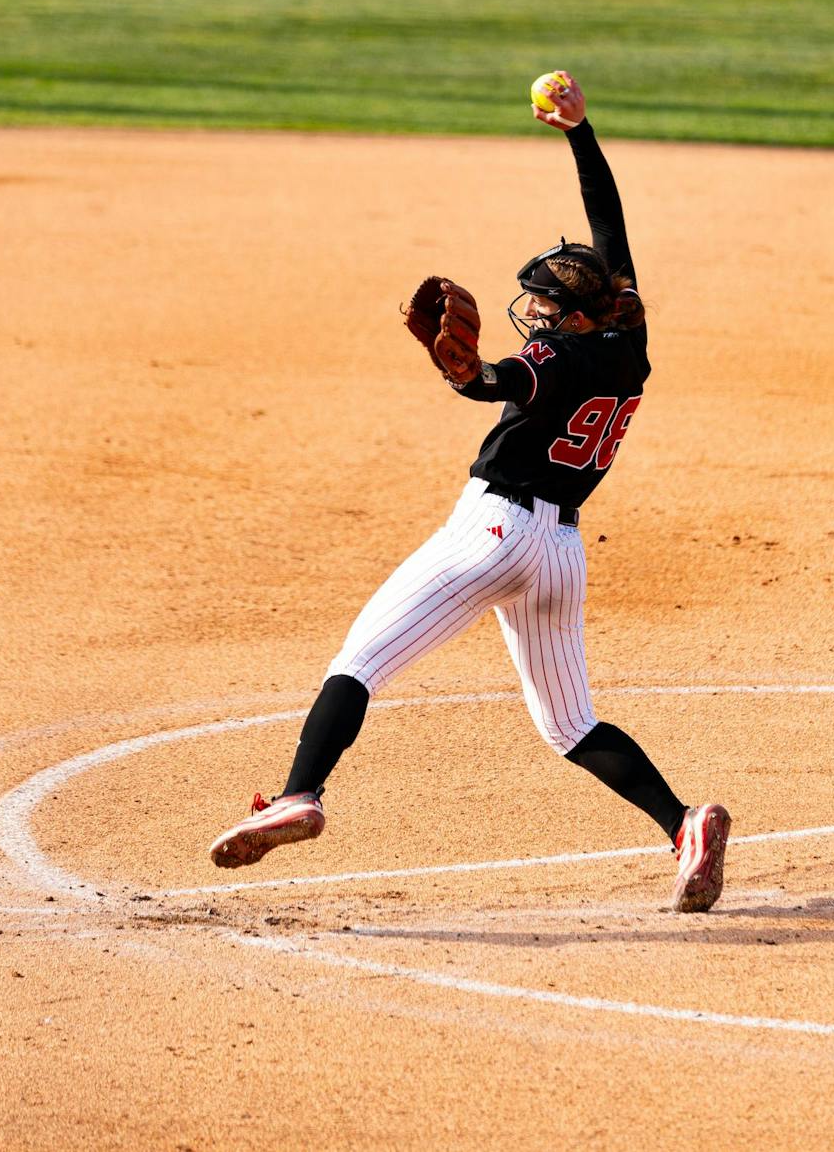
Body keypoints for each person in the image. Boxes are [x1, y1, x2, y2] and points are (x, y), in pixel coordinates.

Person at [209, 73, 731, 912]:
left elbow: (493, 381)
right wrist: (580, 132)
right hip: (561, 554)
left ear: (570, 315)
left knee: (361, 660)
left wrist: (457, 370)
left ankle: (301, 793)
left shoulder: (554, 359)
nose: (535, 310)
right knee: (571, 726)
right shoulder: (627, 337)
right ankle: (683, 827)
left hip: (493, 532)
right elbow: (611, 230)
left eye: (545, 304)